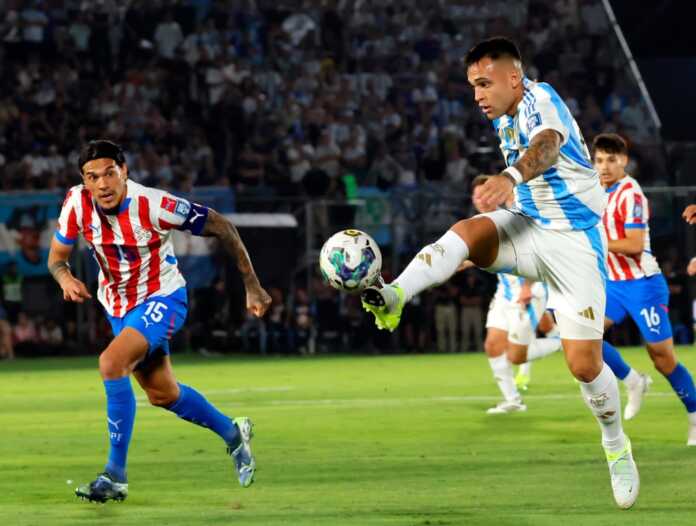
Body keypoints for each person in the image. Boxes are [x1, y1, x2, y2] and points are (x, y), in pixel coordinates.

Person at [360, 38, 638, 508]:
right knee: (468, 231)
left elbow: (547, 145)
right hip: (527, 226)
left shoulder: (540, 98)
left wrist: (509, 178)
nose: (477, 95)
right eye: (473, 86)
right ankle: (394, 295)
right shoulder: (503, 115)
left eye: (485, 83)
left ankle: (616, 446)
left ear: (514, 77)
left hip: (575, 241)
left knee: (584, 365)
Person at [48, 140, 271, 503]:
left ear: (125, 171)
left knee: (111, 363)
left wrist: (252, 285)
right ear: (84, 181)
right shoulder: (76, 202)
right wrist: (65, 278)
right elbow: (57, 257)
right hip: (118, 308)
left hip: (162, 298)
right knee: (162, 394)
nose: (103, 184)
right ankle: (233, 434)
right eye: (93, 177)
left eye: (110, 173)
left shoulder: (154, 205)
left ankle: (115, 475)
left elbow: (222, 225)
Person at [593, 133, 696, 444]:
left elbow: (634, 244)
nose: (604, 166)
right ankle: (632, 380)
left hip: (642, 285)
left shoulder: (631, 193)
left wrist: (595, 242)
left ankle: (694, 415)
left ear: (624, 161)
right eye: (599, 160)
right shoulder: (595, 191)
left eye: (611, 160)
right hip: (612, 284)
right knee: (584, 336)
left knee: (662, 358)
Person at [469, 175, 561, 414]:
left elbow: (535, 253)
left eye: (485, 194)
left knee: (516, 356)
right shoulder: (479, 224)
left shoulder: (512, 219)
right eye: (477, 196)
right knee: (492, 345)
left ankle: (564, 342)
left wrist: (528, 287)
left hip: (528, 292)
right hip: (504, 293)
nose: (481, 199)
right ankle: (512, 400)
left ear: (496, 195)